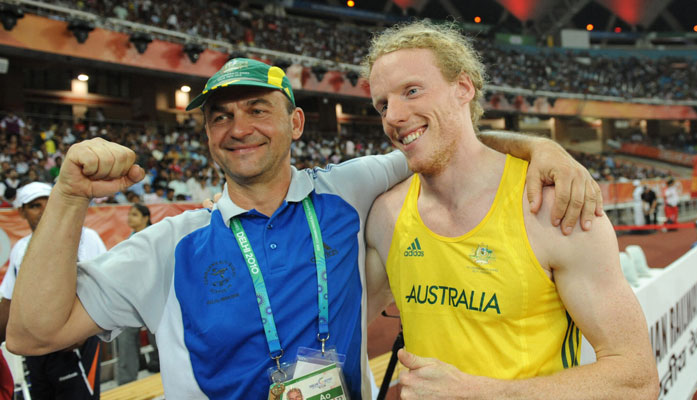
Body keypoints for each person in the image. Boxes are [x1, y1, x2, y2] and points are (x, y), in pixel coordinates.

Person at [7, 58, 600, 399]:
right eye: (221, 117)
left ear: (294, 121)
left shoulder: (349, 188)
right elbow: (32, 335)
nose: (239, 128)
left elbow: (450, 141)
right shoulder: (172, 245)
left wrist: (540, 146)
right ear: (208, 135)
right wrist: (68, 195)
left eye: (257, 110)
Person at [363, 21, 657, 399]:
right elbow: (335, 323)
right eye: (382, 105)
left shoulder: (555, 208)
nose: (393, 117)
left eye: (412, 91)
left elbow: (636, 380)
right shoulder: (385, 216)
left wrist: (480, 392)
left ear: (463, 88)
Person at [0, 182, 106, 400]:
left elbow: (104, 289)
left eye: (49, 204)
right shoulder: (21, 248)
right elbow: (9, 301)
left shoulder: (86, 237)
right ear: (21, 211)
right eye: (35, 206)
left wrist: (81, 334)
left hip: (74, 346)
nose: (44, 211)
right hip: (35, 351)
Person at [115, 203, 160, 384]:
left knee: (159, 337)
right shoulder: (130, 239)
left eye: (134, 214)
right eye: (129, 214)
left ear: (145, 217)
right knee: (125, 336)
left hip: (156, 295)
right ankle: (126, 382)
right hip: (133, 296)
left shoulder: (157, 236)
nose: (130, 218)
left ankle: (164, 368)